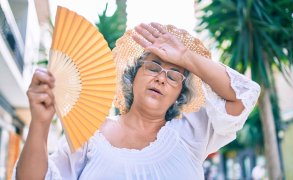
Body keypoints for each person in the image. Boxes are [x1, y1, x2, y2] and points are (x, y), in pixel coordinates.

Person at [14, 22, 260, 179]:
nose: (162, 78)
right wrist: (40, 123)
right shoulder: (90, 135)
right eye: (153, 67)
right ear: (133, 76)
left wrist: (186, 56)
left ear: (179, 95)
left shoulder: (191, 132)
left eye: (174, 76)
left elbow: (243, 95)